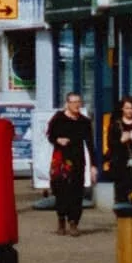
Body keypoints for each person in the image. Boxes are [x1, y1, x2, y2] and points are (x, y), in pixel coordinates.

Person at [47, 91, 96, 234]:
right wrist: (58, 140)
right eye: (73, 102)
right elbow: (50, 135)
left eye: (78, 102)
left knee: (76, 192)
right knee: (61, 191)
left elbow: (90, 144)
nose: (76, 105)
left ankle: (74, 222)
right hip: (61, 161)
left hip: (78, 160)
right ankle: (61, 219)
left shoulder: (84, 122)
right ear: (67, 103)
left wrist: (93, 165)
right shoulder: (58, 118)